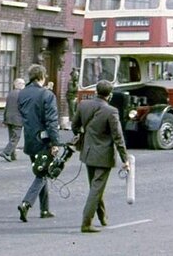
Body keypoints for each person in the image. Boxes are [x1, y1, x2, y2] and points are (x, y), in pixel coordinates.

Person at [72, 79, 129, 233]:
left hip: (88, 152)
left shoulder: (83, 105)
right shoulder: (111, 111)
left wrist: (80, 133)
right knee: (96, 188)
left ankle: (102, 216)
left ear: (96, 91)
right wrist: (126, 159)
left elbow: (74, 125)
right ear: (109, 95)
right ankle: (86, 222)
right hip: (104, 155)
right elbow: (118, 137)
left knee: (95, 187)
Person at [16, 64, 61, 223]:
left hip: (29, 139)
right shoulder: (47, 95)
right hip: (44, 140)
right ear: (42, 76)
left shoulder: (22, 94)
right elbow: (51, 121)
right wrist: (56, 142)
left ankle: (45, 209)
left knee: (41, 171)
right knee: (42, 174)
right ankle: (26, 203)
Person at [0, 78, 25, 162]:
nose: (23, 85)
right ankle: (6, 152)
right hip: (17, 119)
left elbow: (6, 107)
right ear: (17, 84)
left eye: (23, 83)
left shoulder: (10, 93)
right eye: (22, 83)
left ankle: (13, 155)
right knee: (16, 137)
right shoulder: (22, 94)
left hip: (9, 118)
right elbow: (24, 108)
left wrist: (4, 119)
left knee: (11, 137)